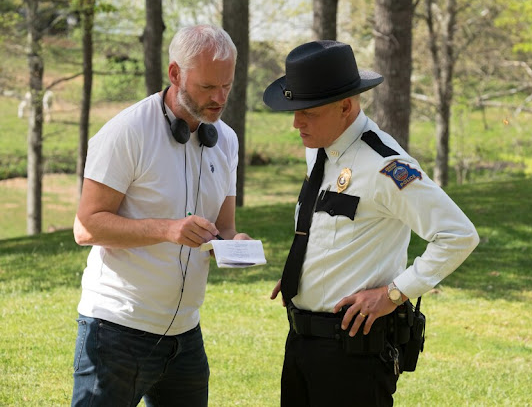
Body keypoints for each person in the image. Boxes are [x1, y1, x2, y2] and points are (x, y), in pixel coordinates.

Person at [264, 40, 480, 406]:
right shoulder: (320, 148)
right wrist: (305, 270)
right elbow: (331, 224)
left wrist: (393, 294)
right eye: (295, 109)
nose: (296, 122)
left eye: (308, 112)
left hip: (351, 355)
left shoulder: (385, 165)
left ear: (345, 106)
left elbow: (458, 235)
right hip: (301, 342)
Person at [71, 24, 251, 407]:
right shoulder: (127, 132)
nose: (220, 98)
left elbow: (225, 228)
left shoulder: (227, 140)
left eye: (227, 86)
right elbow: (86, 227)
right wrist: (168, 229)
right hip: (116, 331)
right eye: (207, 87)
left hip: (186, 336)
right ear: (175, 74)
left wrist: (235, 245)